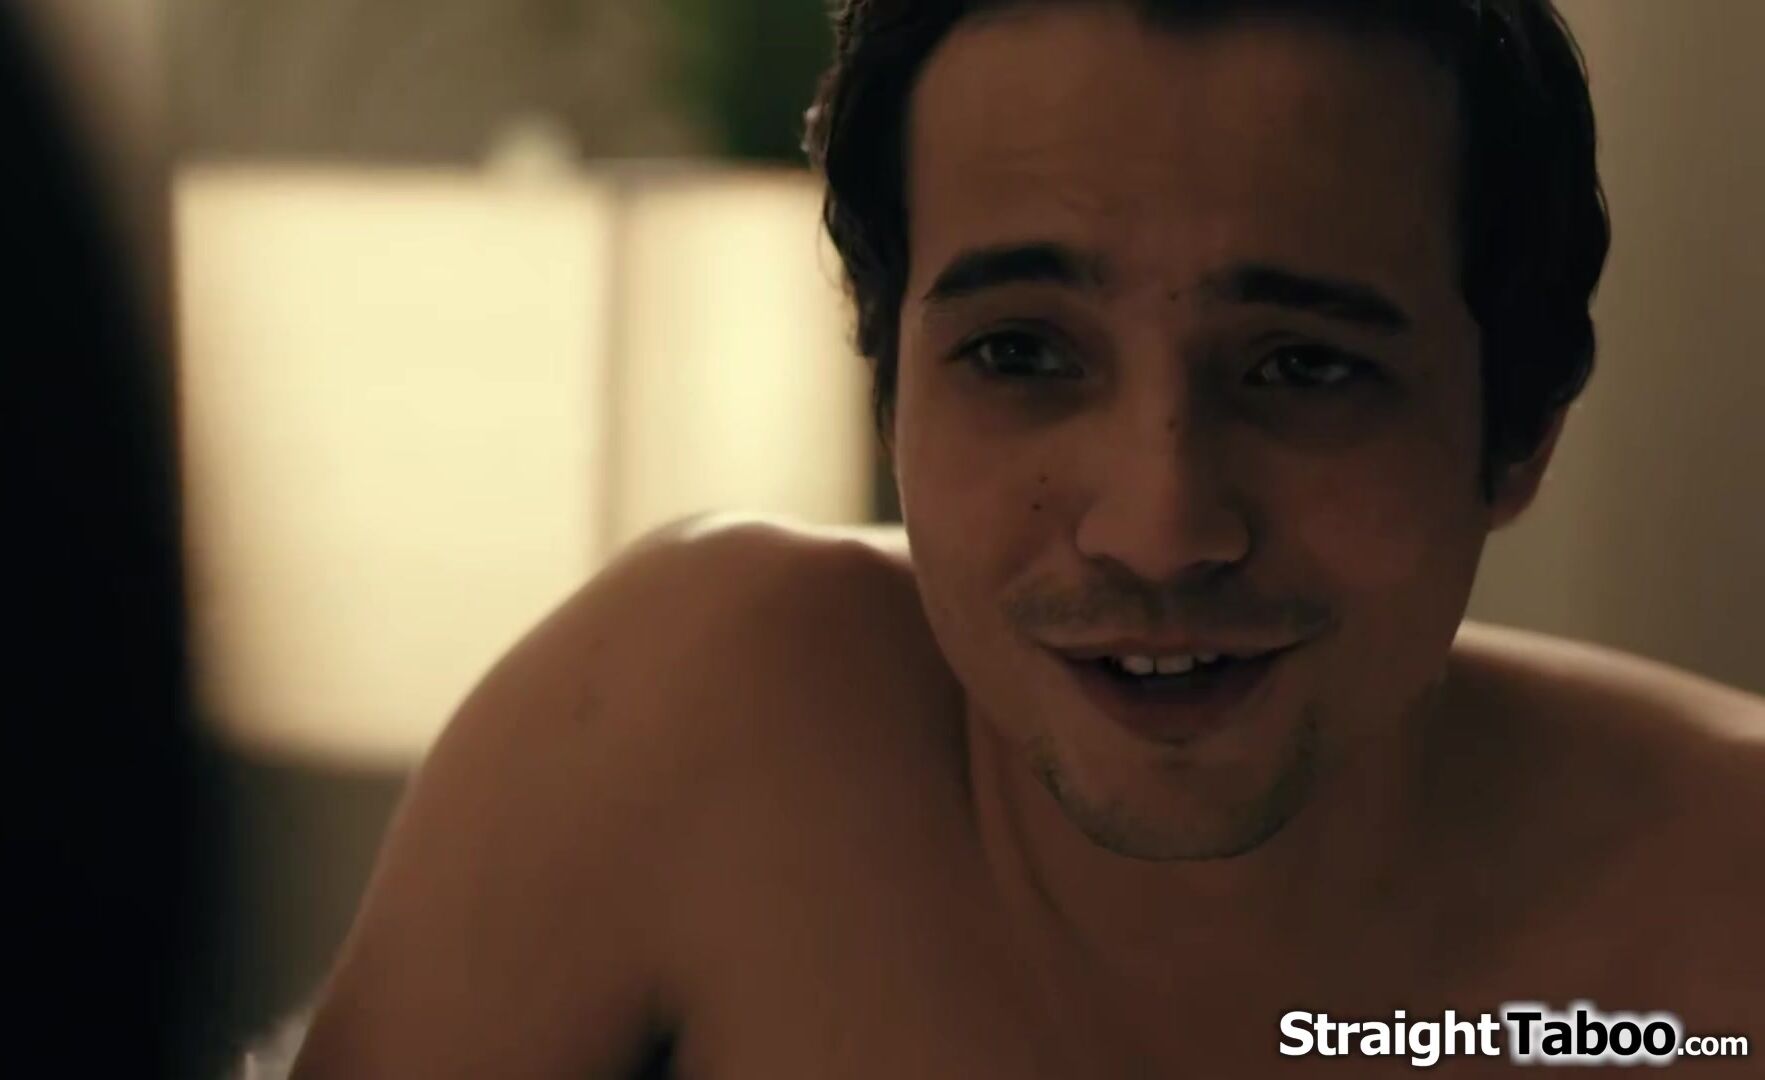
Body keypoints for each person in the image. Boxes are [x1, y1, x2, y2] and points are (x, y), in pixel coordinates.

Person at [290, 1, 1765, 1075]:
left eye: (1305, 367)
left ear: (1519, 429)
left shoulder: (1723, 919)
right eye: (1020, 353)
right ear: (889, 391)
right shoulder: (666, 727)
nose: (1158, 530)